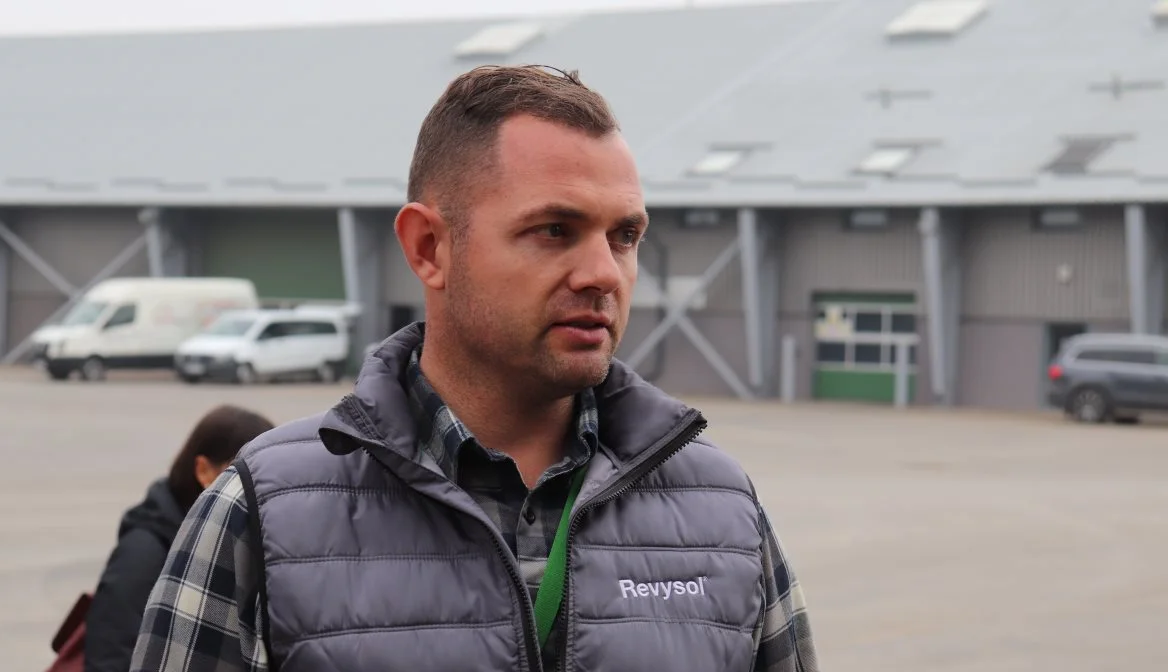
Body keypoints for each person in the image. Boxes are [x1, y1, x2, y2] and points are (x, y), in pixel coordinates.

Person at [130, 65, 819, 672]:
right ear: (429, 247)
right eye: (554, 230)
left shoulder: (722, 511)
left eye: (625, 236)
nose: (604, 274)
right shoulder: (263, 515)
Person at [83, 405, 274, 672]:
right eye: (245, 475)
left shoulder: (231, 544)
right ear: (204, 470)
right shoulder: (145, 551)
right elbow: (109, 654)